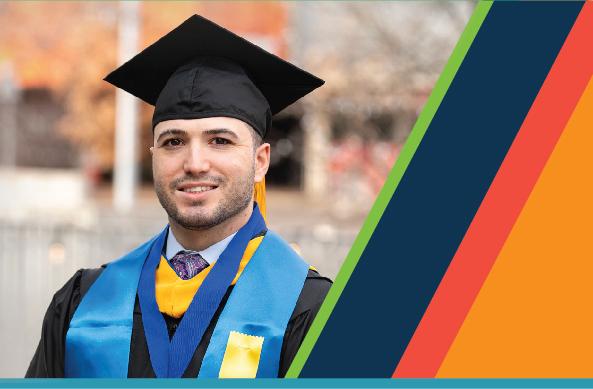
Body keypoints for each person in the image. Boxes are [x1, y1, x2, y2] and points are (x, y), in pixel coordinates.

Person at [26, 15, 331, 378]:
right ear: (153, 155)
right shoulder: (83, 304)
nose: (195, 163)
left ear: (260, 161)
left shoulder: (308, 310)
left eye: (220, 140)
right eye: (174, 142)